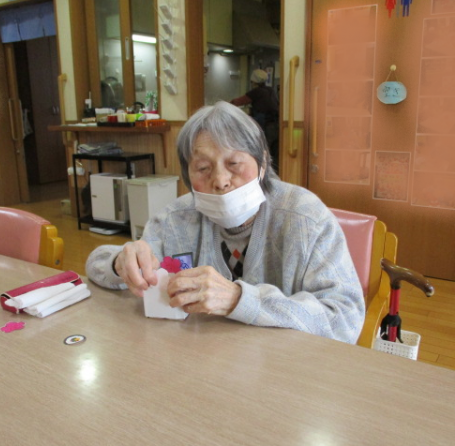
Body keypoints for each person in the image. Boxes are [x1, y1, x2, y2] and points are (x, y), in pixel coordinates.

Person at [85, 101, 365, 343]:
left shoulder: (305, 218)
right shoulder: (176, 219)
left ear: (262, 164)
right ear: (187, 176)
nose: (220, 180)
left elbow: (346, 319)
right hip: (202, 363)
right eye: (203, 168)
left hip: (285, 370)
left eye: (234, 164)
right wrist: (120, 262)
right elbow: (97, 266)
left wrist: (238, 299)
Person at [230, 69, 279, 171]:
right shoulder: (270, 90)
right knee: (272, 151)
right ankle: (272, 171)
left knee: (262, 149)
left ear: (254, 82)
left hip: (264, 126)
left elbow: (237, 102)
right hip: (275, 125)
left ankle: (262, 171)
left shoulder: (256, 92)